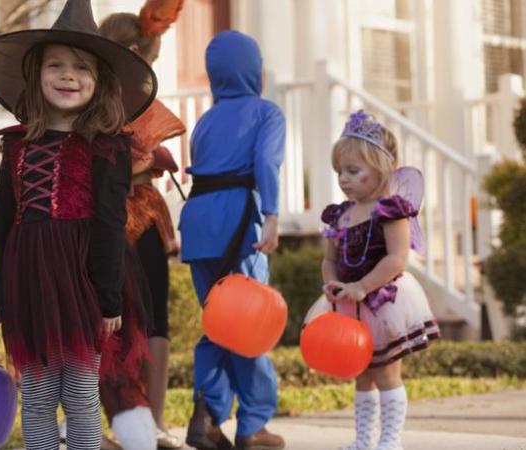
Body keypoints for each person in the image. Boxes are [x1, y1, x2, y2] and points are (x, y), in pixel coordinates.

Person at [0, 0, 157, 448]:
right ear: (36, 76)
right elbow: (3, 223)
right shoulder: (17, 145)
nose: (68, 75)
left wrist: (108, 297)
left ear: (100, 83)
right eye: (55, 65)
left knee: (78, 394)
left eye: (81, 68)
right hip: (29, 280)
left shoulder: (107, 148)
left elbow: (111, 225)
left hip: (81, 282)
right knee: (36, 395)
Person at [177, 31, 286, 450]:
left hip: (199, 225)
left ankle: (206, 414)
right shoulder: (267, 113)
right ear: (255, 71)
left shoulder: (204, 121)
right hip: (239, 227)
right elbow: (265, 163)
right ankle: (253, 426)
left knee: (218, 323)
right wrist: (272, 216)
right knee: (248, 325)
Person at [310, 110, 440, 450]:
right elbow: (329, 259)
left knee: (385, 372)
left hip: (381, 301)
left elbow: (397, 258)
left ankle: (390, 440)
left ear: (381, 169)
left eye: (353, 171)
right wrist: (332, 283)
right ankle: (364, 440)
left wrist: (362, 286)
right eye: (340, 171)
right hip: (348, 303)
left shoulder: (390, 210)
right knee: (361, 373)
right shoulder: (341, 214)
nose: (344, 179)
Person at [98, 4, 186, 449]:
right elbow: (107, 166)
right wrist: (148, 161)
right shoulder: (103, 101)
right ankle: (143, 419)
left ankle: (144, 422)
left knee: (146, 318)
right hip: (125, 217)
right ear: (133, 52)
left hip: (137, 215)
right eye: (148, 62)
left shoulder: (92, 96)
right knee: (137, 318)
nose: (149, 71)